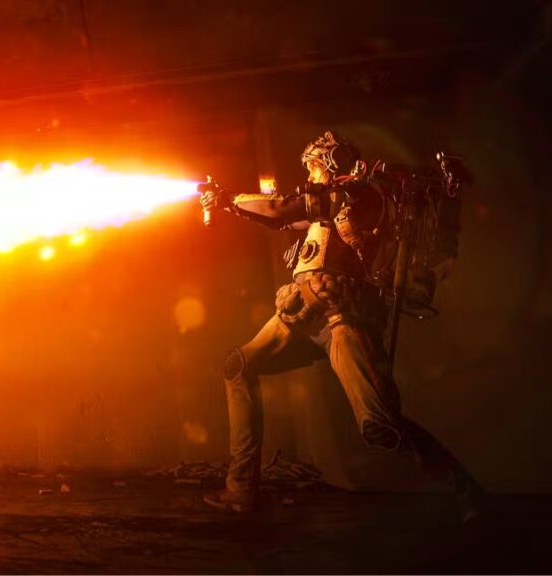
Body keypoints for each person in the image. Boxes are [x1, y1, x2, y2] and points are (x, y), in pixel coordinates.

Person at [199, 131, 483, 523]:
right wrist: (230, 204)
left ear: (333, 162)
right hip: (303, 310)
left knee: (381, 427)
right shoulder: (328, 206)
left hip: (343, 319)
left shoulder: (361, 196)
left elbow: (283, 208)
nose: (309, 175)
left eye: (314, 166)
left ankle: (468, 493)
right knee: (239, 365)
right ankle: (241, 488)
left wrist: (229, 199)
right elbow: (283, 216)